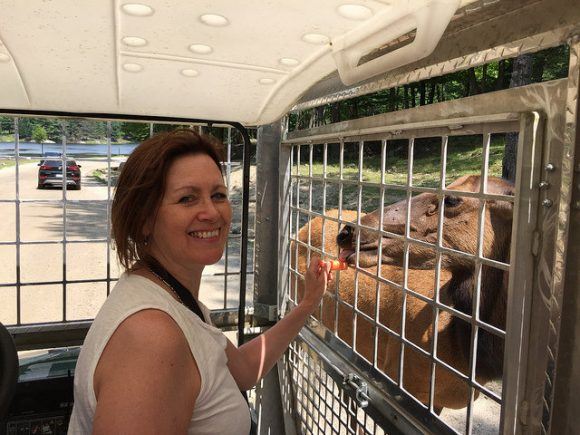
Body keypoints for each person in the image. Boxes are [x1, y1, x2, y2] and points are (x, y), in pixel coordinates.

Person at [68, 129, 332, 434]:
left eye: (218, 195)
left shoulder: (170, 293)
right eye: (187, 198)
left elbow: (241, 372)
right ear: (144, 220)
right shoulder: (152, 337)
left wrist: (307, 304)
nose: (211, 212)